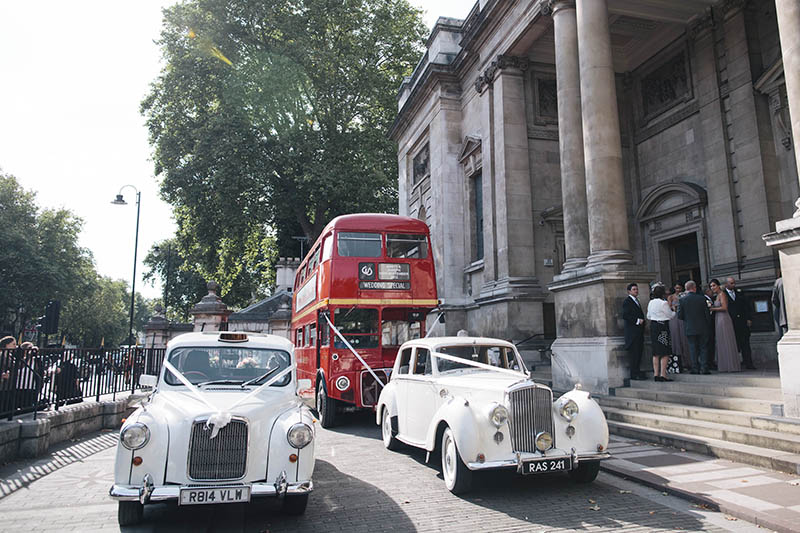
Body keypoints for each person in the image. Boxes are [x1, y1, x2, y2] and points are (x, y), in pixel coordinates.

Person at [677, 280, 711, 374]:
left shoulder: (682, 300)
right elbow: (707, 314)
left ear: (686, 289)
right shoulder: (702, 298)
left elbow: (679, 315)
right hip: (703, 326)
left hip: (690, 327)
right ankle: (704, 368)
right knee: (703, 347)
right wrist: (708, 325)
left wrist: (688, 320)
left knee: (692, 348)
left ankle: (695, 368)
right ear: (694, 288)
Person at [710, 279, 741, 373]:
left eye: (714, 285)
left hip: (724, 318)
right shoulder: (717, 296)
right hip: (718, 318)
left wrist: (712, 308)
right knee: (721, 340)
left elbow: (724, 307)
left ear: (719, 285)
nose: (712, 288)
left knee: (726, 339)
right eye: (711, 286)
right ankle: (724, 365)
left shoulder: (722, 294)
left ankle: (730, 365)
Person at [725, 277, 756, 369]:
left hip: (742, 322)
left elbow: (746, 307)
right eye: (731, 283)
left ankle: (748, 363)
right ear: (726, 284)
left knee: (745, 344)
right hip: (731, 323)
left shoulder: (740, 293)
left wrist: (749, 319)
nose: (733, 285)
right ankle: (735, 363)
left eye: (734, 283)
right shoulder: (723, 294)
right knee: (734, 344)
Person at [647, 284, 675, 381]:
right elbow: (670, 315)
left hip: (654, 326)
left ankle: (656, 374)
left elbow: (648, 316)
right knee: (665, 351)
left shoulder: (651, 302)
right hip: (662, 326)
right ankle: (663, 374)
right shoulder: (664, 303)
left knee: (656, 352)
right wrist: (674, 311)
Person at [622, 282, 646, 380]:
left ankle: (637, 372)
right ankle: (634, 374)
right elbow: (625, 315)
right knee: (634, 354)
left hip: (638, 332)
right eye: (634, 289)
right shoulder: (627, 301)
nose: (636, 291)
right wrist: (637, 321)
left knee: (639, 353)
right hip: (632, 333)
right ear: (629, 291)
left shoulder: (636, 301)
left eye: (636, 289)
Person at [667, 283, 689, 372]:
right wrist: (673, 307)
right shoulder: (671, 297)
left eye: (679, 288)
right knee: (675, 338)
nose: (678, 290)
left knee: (684, 339)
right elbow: (668, 308)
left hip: (682, 318)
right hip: (674, 318)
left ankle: (687, 362)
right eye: (676, 288)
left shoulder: (684, 296)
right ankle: (678, 363)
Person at [15, 342, 43, 410]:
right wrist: (27, 357)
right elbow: (19, 367)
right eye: (29, 348)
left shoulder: (36, 360)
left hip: (31, 387)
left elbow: (40, 371)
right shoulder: (19, 359)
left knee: (28, 406)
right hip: (19, 386)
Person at [0, 336, 18, 414]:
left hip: (9, 385)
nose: (15, 346)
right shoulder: (1, 355)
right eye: (13, 344)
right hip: (2, 385)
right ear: (7, 345)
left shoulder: (10, 355)